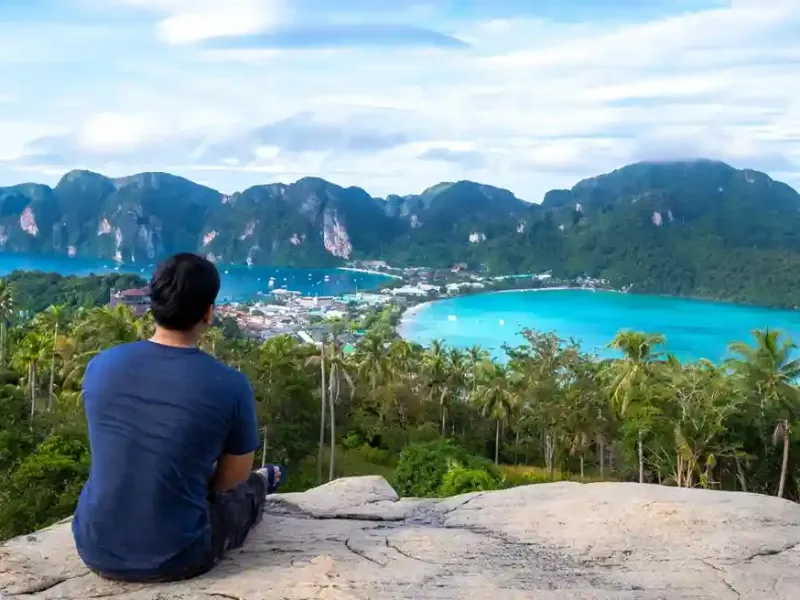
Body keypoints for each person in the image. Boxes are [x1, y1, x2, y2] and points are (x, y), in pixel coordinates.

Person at [72, 253, 285, 582]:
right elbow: (229, 484)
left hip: (94, 546)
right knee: (244, 494)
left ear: (154, 305)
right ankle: (266, 480)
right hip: (179, 556)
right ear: (208, 313)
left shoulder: (100, 365)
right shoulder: (230, 384)